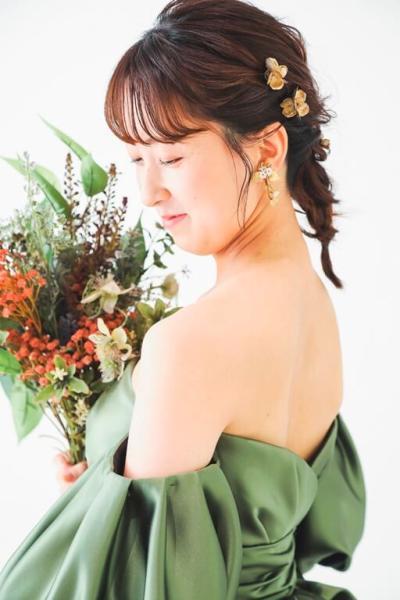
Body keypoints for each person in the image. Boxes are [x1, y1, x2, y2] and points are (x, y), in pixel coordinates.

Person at [0, 0, 366, 598]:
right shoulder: (311, 302)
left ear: (266, 149)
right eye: (136, 159)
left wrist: (103, 532)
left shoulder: (190, 345)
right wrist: (100, 500)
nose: (148, 191)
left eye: (170, 157)